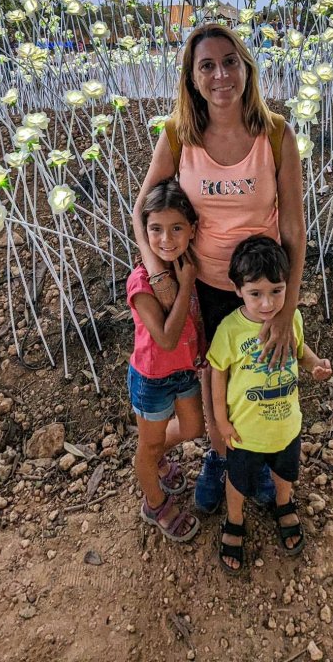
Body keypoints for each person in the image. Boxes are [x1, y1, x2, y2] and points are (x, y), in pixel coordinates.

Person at [133, 23, 307, 515]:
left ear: (246, 68)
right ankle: (222, 456)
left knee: (264, 373)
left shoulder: (276, 134)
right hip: (204, 285)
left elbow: (294, 231)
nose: (220, 75)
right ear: (192, 77)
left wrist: (286, 309)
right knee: (217, 375)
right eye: (206, 65)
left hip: (261, 289)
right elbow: (141, 209)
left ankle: (264, 457)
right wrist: (161, 275)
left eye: (229, 62)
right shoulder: (177, 135)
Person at [208, 236, 332, 572]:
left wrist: (315, 365)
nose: (267, 303)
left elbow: (300, 351)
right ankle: (235, 519)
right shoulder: (231, 330)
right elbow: (217, 373)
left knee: (284, 471)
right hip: (245, 432)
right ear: (238, 290)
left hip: (286, 424)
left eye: (277, 291)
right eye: (256, 293)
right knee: (238, 479)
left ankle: (283, 503)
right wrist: (221, 420)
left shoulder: (291, 319)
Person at [127, 179, 205, 542]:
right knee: (149, 444)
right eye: (155, 229)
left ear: (192, 230)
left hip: (184, 370)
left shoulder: (187, 266)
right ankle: (155, 504)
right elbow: (167, 338)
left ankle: (156, 459)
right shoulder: (141, 282)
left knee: (193, 429)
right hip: (151, 378)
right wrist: (186, 284)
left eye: (176, 228)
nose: (166, 239)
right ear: (145, 232)